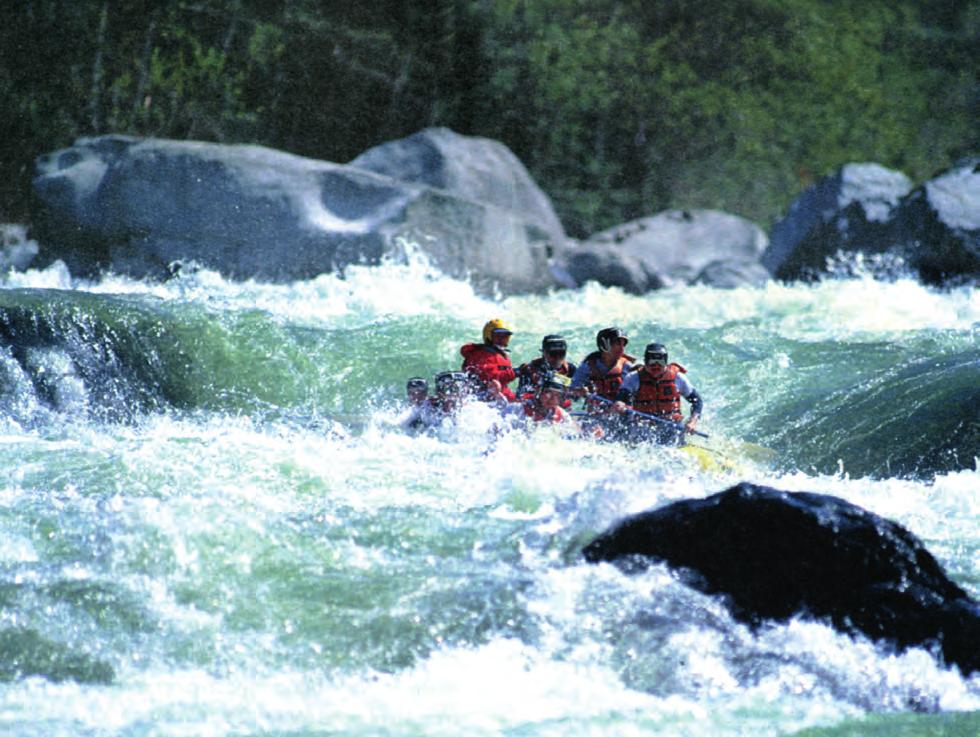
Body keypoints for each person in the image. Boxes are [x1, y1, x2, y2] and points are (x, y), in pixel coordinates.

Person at [613, 342, 702, 444]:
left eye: (660, 364)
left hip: (672, 427)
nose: (655, 367)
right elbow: (620, 399)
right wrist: (619, 404)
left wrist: (692, 422)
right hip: (644, 428)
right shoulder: (633, 378)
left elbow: (697, 401)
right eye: (651, 364)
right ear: (645, 362)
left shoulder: (678, 378)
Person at [569, 327, 635, 408]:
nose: (622, 348)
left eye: (623, 344)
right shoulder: (587, 367)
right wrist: (579, 391)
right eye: (618, 344)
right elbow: (572, 393)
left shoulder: (627, 367)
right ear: (604, 345)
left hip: (620, 414)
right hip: (595, 414)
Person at [460, 318, 518, 402]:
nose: (501, 339)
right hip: (480, 396)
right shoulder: (482, 354)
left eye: (505, 336)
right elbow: (491, 377)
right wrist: (516, 372)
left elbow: (503, 387)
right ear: (488, 336)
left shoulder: (500, 354)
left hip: (496, 394)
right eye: (498, 336)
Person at [400, 371, 470, 431]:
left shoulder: (473, 411)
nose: (453, 395)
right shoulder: (427, 408)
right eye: (448, 390)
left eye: (457, 389)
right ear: (439, 393)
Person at [516, 335, 578, 401]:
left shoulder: (571, 369)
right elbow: (520, 397)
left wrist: (574, 392)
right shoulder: (531, 369)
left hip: (561, 408)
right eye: (553, 354)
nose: (557, 358)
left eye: (562, 353)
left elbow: (577, 397)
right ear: (543, 353)